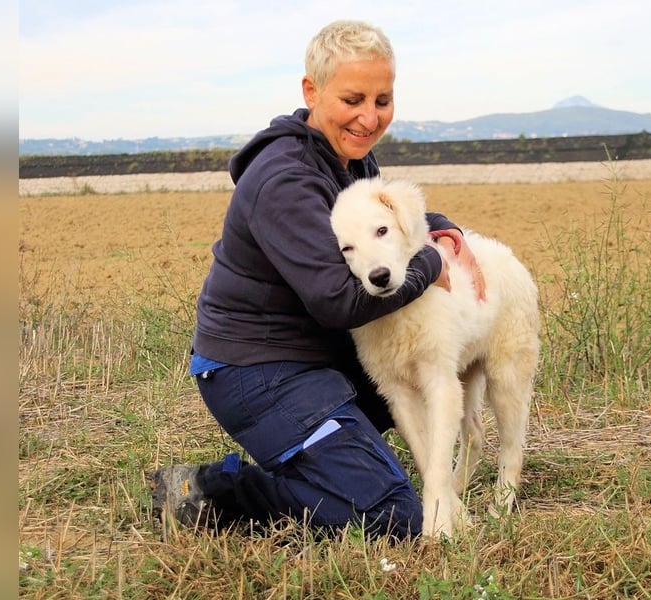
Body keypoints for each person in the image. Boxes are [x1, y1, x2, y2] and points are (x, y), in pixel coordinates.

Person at [150, 19, 485, 542]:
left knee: (416, 370)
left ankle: (329, 455)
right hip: (259, 371)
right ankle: (212, 492)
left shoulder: (347, 156)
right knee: (393, 516)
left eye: (382, 100)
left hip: (322, 358)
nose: (369, 117)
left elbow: (383, 217)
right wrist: (433, 262)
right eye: (353, 99)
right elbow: (339, 302)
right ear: (311, 91)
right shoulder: (285, 178)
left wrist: (444, 229)